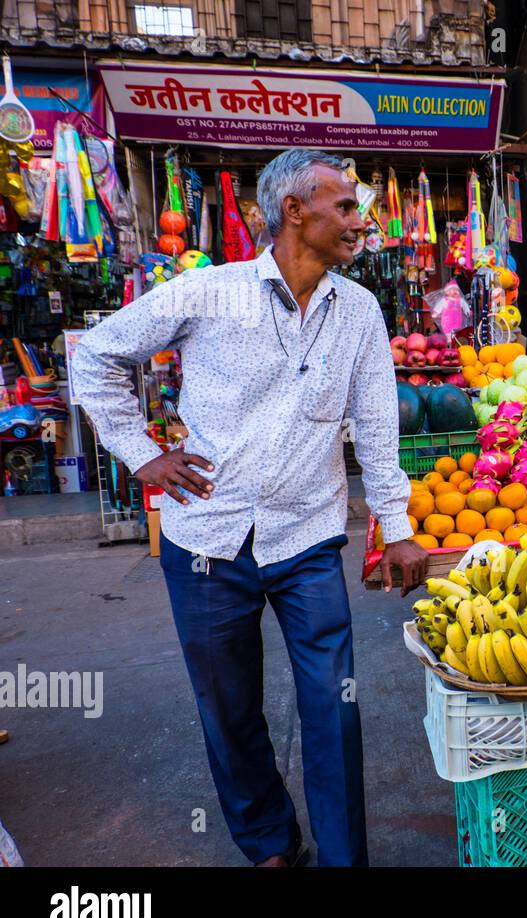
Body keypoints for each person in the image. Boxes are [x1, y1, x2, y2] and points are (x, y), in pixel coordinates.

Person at [73, 149, 429, 867]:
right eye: (346, 205)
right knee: (229, 710)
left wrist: (399, 529)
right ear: (296, 211)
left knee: (335, 706)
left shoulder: (358, 312)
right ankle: (269, 842)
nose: (359, 220)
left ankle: (342, 857)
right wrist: (142, 453)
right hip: (208, 539)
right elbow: (96, 354)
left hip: (308, 539)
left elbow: (378, 427)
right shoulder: (209, 292)